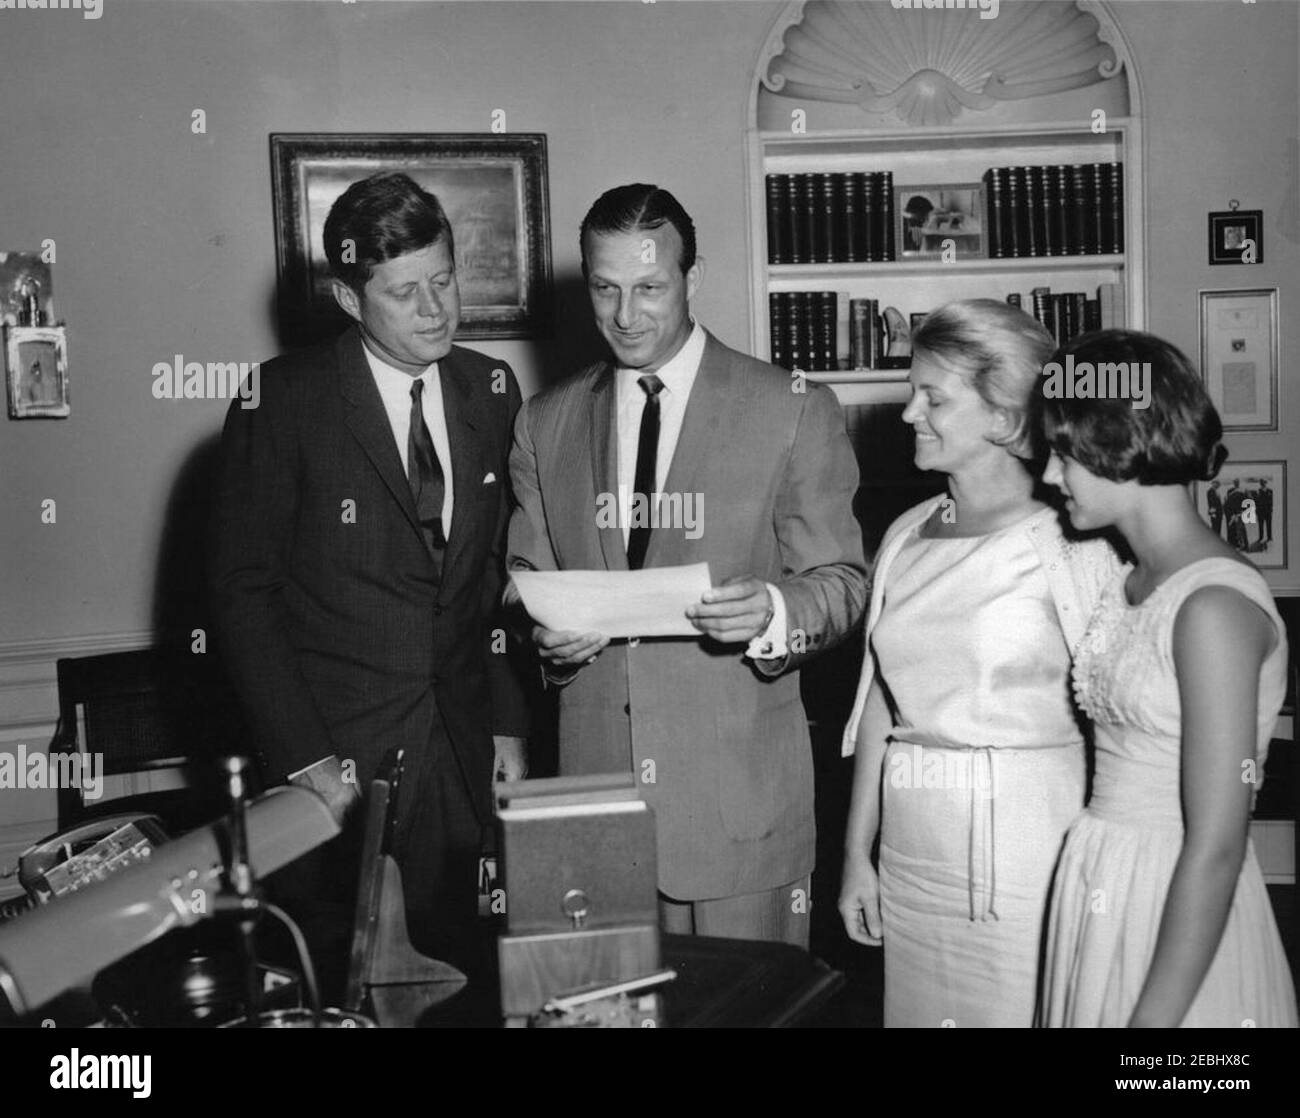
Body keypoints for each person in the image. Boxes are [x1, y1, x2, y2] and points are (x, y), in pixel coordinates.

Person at [507, 184, 866, 947]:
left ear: (692, 280)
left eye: (649, 289)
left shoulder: (792, 407)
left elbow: (841, 582)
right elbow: (524, 581)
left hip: (737, 815)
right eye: (605, 290)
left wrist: (775, 612)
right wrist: (547, 643)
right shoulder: (545, 421)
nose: (626, 315)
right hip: (597, 818)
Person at [210, 172, 528, 983]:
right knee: (349, 990)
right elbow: (242, 597)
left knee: (466, 988)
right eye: (404, 293)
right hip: (339, 772)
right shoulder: (278, 403)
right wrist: (307, 762)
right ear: (350, 301)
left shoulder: (491, 391)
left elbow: (493, 578)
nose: (435, 311)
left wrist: (506, 725)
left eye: (445, 280)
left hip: (461, 760)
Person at [838, 300, 1120, 1027]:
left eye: (933, 397)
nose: (908, 414)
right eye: (911, 393)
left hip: (1034, 854)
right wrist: (855, 854)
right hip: (911, 852)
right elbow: (879, 703)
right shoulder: (904, 534)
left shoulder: (1073, 541)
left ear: (1002, 418)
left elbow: (1122, 716)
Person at [1035, 330, 1296, 1028]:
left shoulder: (1212, 607)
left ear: (1120, 443)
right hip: (1104, 879)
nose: (1051, 478)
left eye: (1063, 455)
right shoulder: (1131, 582)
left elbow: (1216, 846)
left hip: (1178, 905)